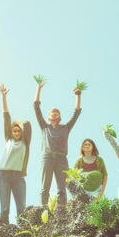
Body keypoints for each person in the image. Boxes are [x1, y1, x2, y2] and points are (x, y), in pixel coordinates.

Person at [34, 78, 82, 207]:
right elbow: (36, 108)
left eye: (57, 112)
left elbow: (76, 113)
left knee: (62, 187)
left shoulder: (65, 127)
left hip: (61, 159)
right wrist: (39, 88)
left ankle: (62, 210)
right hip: (47, 157)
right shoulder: (45, 127)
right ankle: (43, 209)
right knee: (45, 186)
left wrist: (78, 95)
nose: (54, 113)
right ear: (49, 117)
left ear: (60, 117)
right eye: (52, 112)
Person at [0, 84, 32, 223]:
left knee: (22, 209)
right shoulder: (8, 139)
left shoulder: (25, 142)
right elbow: (6, 117)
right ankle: (3, 231)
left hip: (18, 177)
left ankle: (22, 233)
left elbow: (28, 124)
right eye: (14, 131)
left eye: (18, 131)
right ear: (11, 132)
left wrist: (17, 122)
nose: (16, 133)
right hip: (3, 175)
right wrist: (3, 97)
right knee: (5, 208)